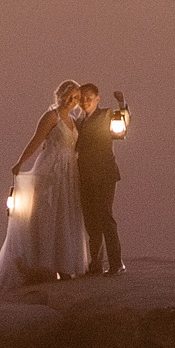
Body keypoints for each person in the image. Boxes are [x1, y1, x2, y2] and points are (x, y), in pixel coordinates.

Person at [0, 80, 87, 294]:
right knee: (46, 216)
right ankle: (43, 265)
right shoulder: (52, 116)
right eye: (69, 96)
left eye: (76, 98)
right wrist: (20, 163)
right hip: (51, 170)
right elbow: (36, 140)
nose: (72, 101)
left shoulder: (73, 119)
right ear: (60, 95)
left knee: (63, 216)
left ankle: (64, 265)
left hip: (68, 173)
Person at [73, 83, 129, 276]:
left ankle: (116, 262)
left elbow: (124, 124)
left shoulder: (106, 115)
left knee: (105, 216)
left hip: (104, 174)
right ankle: (96, 263)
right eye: (82, 99)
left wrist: (122, 104)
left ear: (97, 99)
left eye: (89, 98)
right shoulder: (78, 120)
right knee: (91, 220)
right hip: (85, 175)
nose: (85, 102)